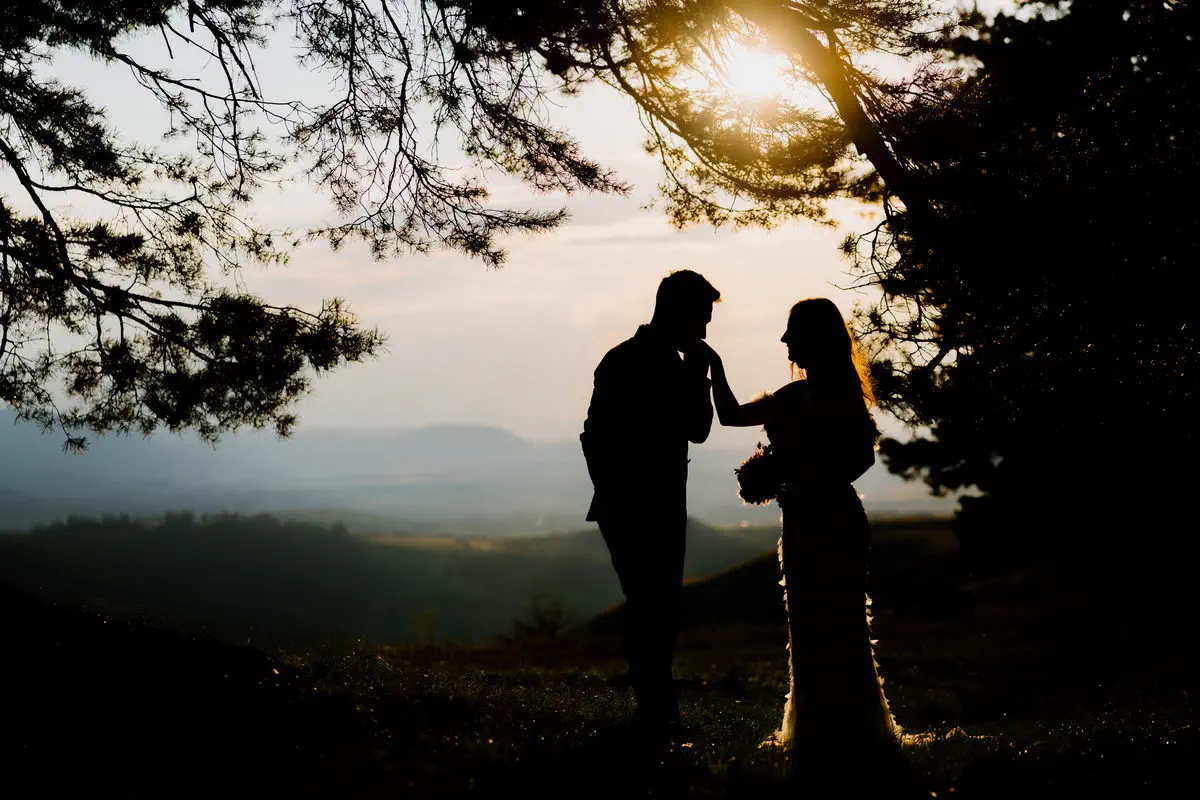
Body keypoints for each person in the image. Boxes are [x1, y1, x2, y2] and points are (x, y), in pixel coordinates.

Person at [700, 297, 902, 758]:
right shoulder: (791, 396)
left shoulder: (839, 395)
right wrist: (715, 366)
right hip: (799, 522)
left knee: (839, 620)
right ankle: (818, 729)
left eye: (792, 330)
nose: (784, 340)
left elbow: (861, 457)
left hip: (833, 519)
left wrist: (810, 482)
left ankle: (851, 728)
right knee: (807, 623)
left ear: (815, 337)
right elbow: (731, 415)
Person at [580, 269, 719, 736]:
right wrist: (615, 492)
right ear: (674, 309)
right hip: (632, 506)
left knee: (657, 607)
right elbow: (594, 436)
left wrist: (698, 376)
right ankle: (658, 713)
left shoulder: (670, 363)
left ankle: (658, 711)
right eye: (700, 319)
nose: (702, 332)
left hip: (661, 506)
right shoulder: (625, 361)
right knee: (649, 605)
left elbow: (697, 429)